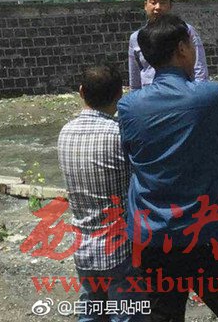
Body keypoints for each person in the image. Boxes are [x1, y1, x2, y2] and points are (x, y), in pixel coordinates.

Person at [118, 14, 218, 322]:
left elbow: (130, 154)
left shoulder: (129, 106)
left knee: (163, 314)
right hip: (209, 232)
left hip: (153, 234)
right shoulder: (210, 96)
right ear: (182, 49)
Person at [57, 64, 143, 322]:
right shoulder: (119, 134)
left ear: (81, 92)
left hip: (83, 245)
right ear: (119, 95)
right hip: (120, 248)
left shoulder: (65, 133)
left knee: (91, 313)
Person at [128, 0, 208, 88]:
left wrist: (199, 92)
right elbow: (135, 77)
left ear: (170, 6)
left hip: (182, 91)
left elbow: (199, 68)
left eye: (163, 2)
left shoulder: (185, 31)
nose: (158, 7)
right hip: (150, 93)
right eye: (153, 2)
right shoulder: (136, 37)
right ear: (145, 5)